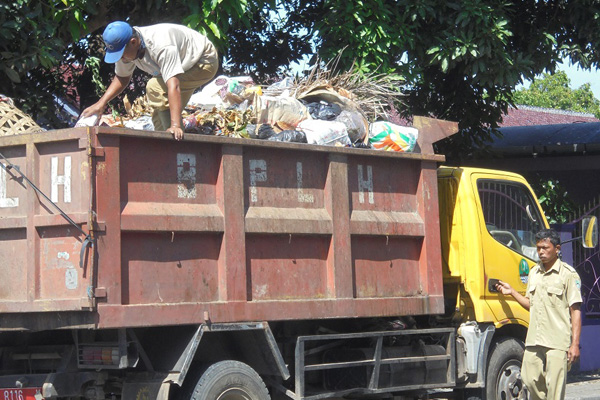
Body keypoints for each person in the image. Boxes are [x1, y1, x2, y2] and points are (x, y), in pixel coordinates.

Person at [81, 21, 219, 140]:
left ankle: (178, 146)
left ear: (133, 42)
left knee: (155, 88)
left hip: (203, 62)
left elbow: (173, 85)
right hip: (184, 65)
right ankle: (165, 151)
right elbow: (122, 78)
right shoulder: (127, 49)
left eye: (121, 55)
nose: (121, 59)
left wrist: (176, 125)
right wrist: (100, 103)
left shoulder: (161, 45)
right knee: (158, 113)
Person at [496, 229, 582, 400]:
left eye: (545, 247)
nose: (541, 252)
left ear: (557, 248)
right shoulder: (534, 272)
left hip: (557, 340)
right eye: (538, 248)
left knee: (555, 389)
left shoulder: (568, 274)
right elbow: (531, 304)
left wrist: (575, 344)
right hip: (535, 338)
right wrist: (512, 292)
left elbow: (575, 310)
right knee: (529, 379)